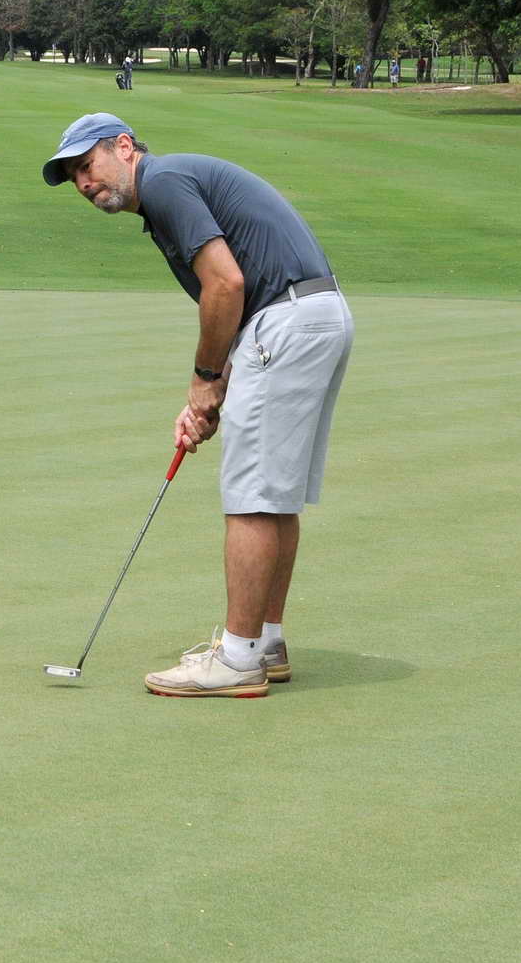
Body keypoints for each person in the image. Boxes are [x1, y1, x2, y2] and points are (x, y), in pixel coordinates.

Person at [41, 113, 354, 698]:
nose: (83, 183)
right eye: (74, 177)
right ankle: (265, 644)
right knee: (275, 497)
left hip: (286, 321)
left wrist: (205, 380)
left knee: (253, 498)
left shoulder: (162, 182)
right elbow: (242, 300)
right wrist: (213, 395)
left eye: (87, 165)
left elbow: (226, 285)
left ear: (124, 147)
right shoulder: (174, 185)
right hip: (312, 315)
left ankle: (238, 659)